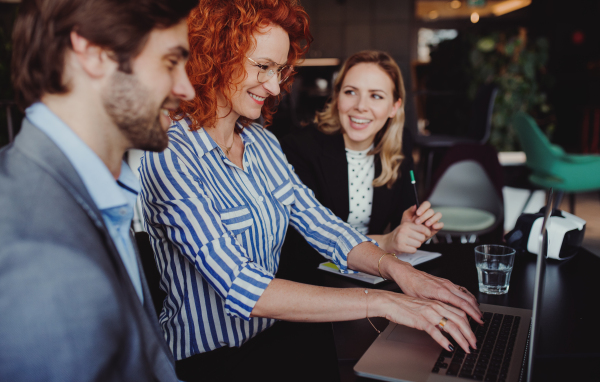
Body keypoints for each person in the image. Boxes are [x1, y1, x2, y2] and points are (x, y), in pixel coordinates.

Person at [139, 0, 482, 381]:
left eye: (280, 70)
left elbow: (323, 225)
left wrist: (400, 271)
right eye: (263, 67)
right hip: (207, 362)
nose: (273, 87)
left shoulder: (260, 143)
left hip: (271, 338)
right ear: (217, 54)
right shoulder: (169, 154)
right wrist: (386, 301)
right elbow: (244, 288)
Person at [0, 0, 196, 380]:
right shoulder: (41, 260)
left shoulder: (89, 191)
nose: (186, 88)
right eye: (171, 62)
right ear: (92, 54)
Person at [278, 50, 443, 282]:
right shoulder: (299, 148)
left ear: (394, 107)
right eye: (350, 92)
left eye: (376, 96)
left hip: (371, 279)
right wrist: (384, 241)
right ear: (337, 97)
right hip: (312, 282)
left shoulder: (399, 142)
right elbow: (299, 244)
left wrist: (412, 229)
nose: (360, 106)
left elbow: (399, 227)